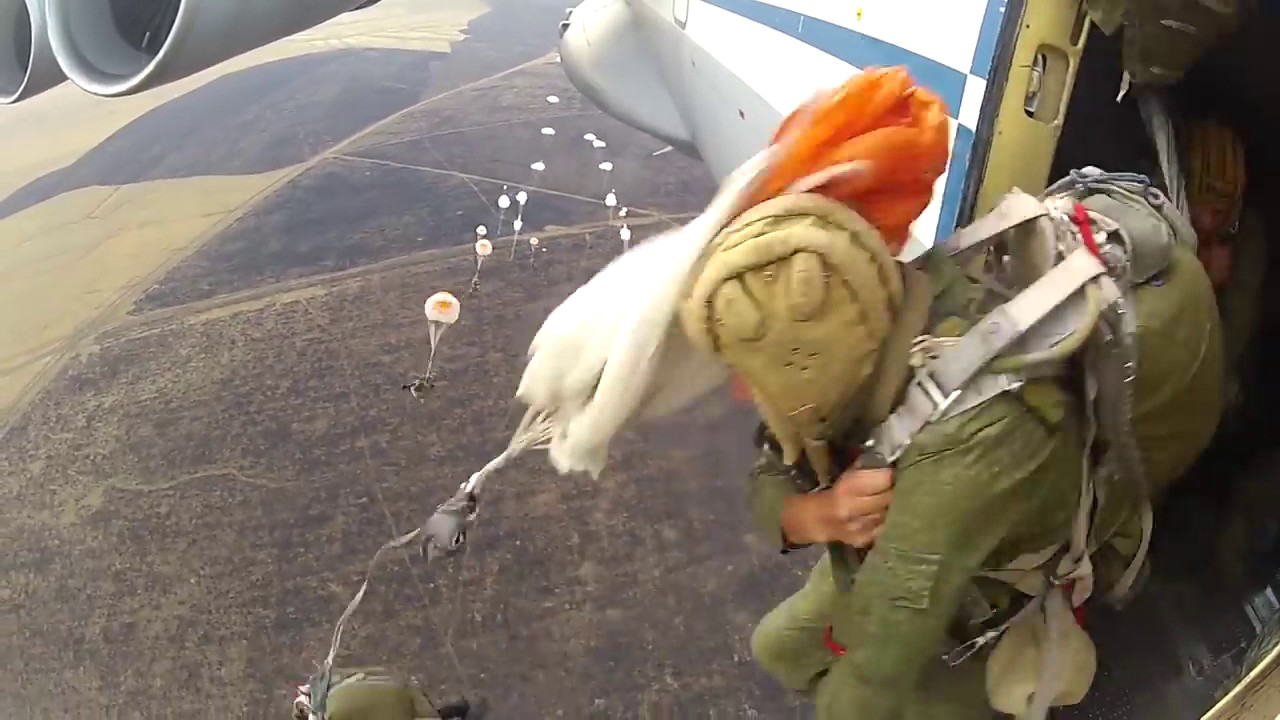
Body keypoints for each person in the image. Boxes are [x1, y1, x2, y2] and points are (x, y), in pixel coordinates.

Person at [678, 170, 1224, 718]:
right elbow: (776, 460)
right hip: (940, 523)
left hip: (1014, 559)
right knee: (778, 649)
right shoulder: (873, 310)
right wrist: (810, 516)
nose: (746, 392)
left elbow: (874, 672)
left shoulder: (957, 445)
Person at [292, 667, 482, 720]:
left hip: (395, 710)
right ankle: (458, 709)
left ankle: (455, 712)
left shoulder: (333, 715)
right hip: (399, 688)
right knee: (423, 712)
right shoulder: (322, 685)